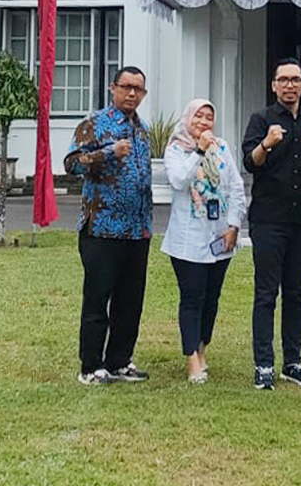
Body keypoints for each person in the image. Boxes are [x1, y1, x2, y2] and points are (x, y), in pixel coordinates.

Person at [241, 56, 301, 390]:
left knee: (296, 293)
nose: (290, 85)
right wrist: (267, 143)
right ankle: (264, 364)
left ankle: (293, 362)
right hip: (268, 219)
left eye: (296, 79)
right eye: (284, 80)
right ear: (274, 85)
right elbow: (250, 163)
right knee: (266, 293)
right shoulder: (261, 119)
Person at [65, 66, 153, 386]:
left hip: (137, 229)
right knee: (97, 299)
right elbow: (71, 163)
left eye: (138, 89)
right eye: (126, 87)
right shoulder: (95, 124)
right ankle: (91, 366)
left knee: (130, 301)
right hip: (101, 228)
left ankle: (119, 360)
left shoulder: (142, 129)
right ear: (112, 88)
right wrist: (107, 153)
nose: (132, 93)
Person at [161, 98, 245, 384]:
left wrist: (234, 225)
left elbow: (235, 187)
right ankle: (191, 360)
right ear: (188, 119)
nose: (204, 122)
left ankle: (202, 348)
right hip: (187, 240)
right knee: (192, 298)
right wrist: (199, 149)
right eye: (198, 117)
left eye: (209, 117)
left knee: (211, 299)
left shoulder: (222, 147)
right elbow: (179, 181)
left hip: (219, 237)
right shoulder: (176, 149)